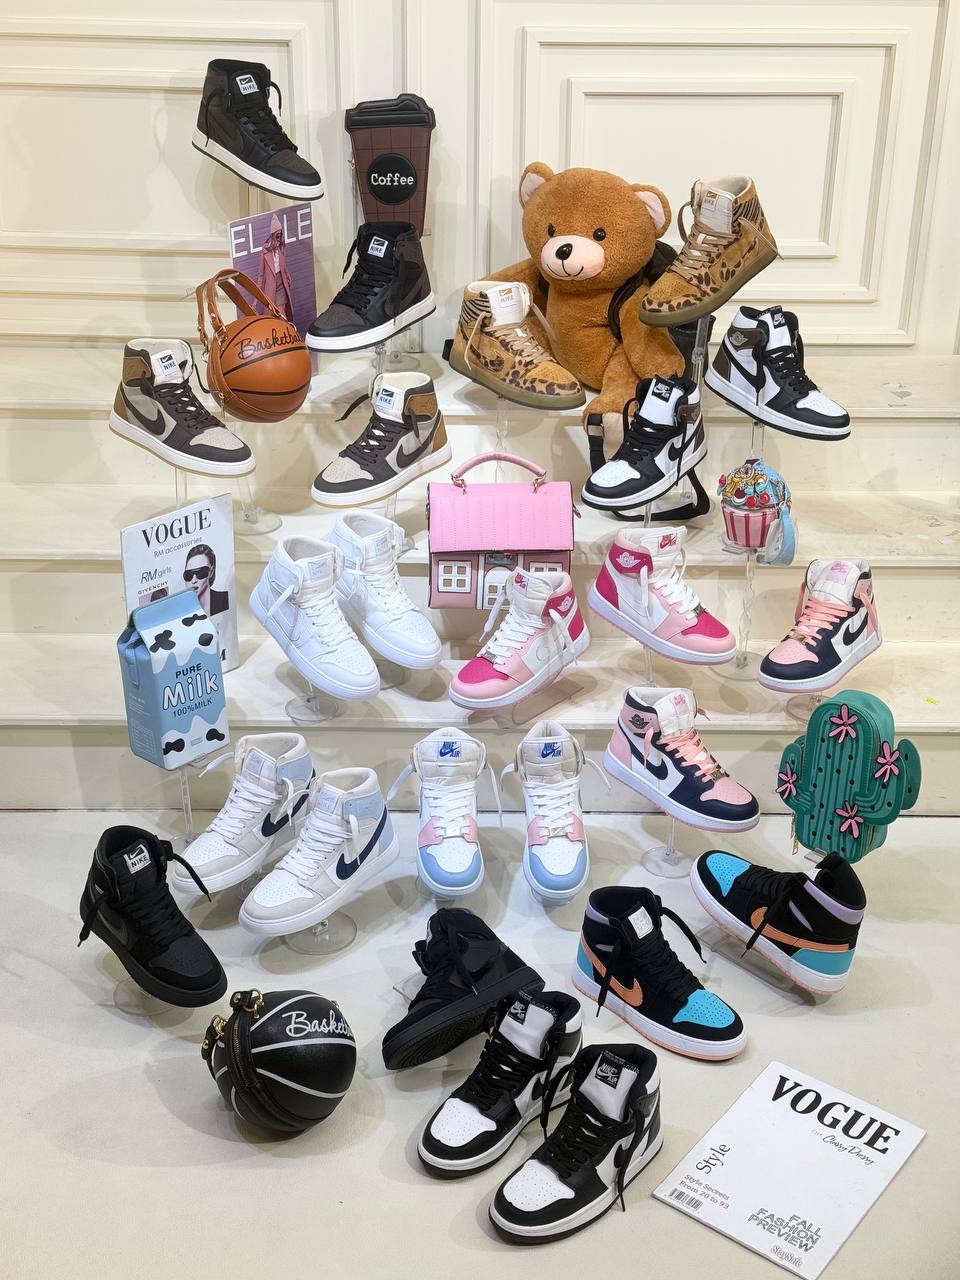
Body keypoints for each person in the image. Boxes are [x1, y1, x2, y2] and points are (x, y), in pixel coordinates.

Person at [255, 212, 294, 321]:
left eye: (280, 235)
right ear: (272, 235)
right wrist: (255, 300)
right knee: (272, 316)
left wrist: (288, 278)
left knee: (282, 314)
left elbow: (283, 267)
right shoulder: (265, 251)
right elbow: (261, 275)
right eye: (277, 235)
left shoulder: (281, 249)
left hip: (281, 283)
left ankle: (287, 330)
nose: (279, 237)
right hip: (270, 287)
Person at [183, 543, 228, 617]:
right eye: (188, 575)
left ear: (211, 572)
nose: (194, 580)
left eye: (201, 573)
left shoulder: (226, 599)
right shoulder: (179, 610)